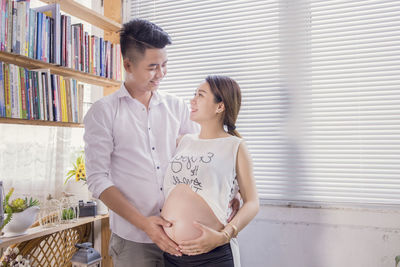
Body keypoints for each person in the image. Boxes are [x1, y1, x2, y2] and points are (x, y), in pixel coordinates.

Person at [83, 19, 239, 267]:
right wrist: (145, 223)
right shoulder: (103, 112)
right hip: (134, 240)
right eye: (153, 67)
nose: (161, 73)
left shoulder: (176, 106)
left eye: (165, 64)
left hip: (181, 239)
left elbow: (201, 158)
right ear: (128, 64)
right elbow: (98, 179)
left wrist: (230, 193)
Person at [161, 76, 260, 267]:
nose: (192, 100)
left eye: (200, 95)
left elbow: (253, 202)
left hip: (211, 257)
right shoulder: (184, 141)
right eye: (194, 94)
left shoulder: (235, 146)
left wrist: (225, 235)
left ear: (220, 106)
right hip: (172, 255)